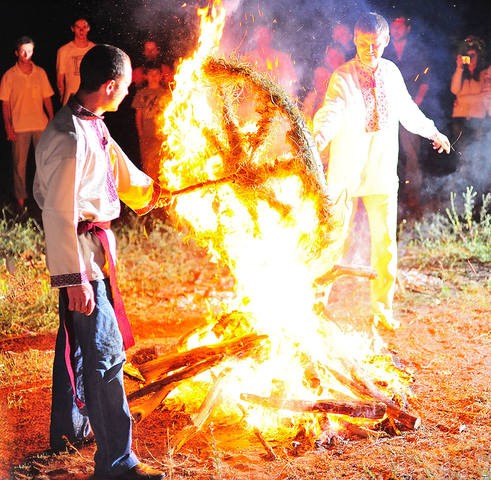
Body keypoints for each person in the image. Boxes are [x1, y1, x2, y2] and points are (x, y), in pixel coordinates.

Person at [34, 44, 166, 480]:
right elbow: (57, 212)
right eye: (125, 86)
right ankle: (117, 463)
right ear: (109, 86)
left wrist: (153, 192)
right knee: (106, 355)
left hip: (93, 256)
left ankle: (69, 430)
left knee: (76, 344)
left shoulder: (94, 125)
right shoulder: (67, 136)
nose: (128, 93)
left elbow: (118, 170)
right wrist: (75, 280)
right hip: (81, 260)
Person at [313, 12, 450, 330]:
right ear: (355, 42)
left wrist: (433, 132)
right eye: (362, 45)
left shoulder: (391, 73)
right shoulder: (343, 77)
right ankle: (316, 301)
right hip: (346, 173)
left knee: (385, 242)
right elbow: (331, 109)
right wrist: (318, 137)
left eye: (374, 45)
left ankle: (381, 308)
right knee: (333, 239)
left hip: (380, 172)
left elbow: (407, 110)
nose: (368, 51)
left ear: (386, 42)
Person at [384, 14, 431, 217]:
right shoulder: (383, 50)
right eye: (393, 26)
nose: (396, 29)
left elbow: (425, 80)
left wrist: (416, 103)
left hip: (409, 110)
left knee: (411, 154)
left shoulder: (417, 52)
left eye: (400, 26)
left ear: (408, 29)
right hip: (385, 111)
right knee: (386, 153)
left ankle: (413, 196)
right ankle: (390, 193)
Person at [0, 36, 54, 211]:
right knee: (19, 165)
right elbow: (5, 103)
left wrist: (52, 120)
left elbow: (47, 98)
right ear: (17, 52)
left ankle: (45, 199)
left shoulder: (40, 73)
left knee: (44, 163)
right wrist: (8, 126)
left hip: (41, 125)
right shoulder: (9, 75)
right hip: (19, 126)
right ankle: (21, 201)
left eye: (29, 50)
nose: (26, 54)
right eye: (23, 50)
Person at [450, 35, 491, 152]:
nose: (470, 58)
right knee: (460, 152)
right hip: (459, 118)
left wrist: (461, 99)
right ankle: (461, 171)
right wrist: (459, 68)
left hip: (477, 119)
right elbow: (454, 90)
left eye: (473, 55)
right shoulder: (461, 73)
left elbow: (485, 96)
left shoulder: (485, 73)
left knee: (477, 151)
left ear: (479, 56)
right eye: (468, 55)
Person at [131, 65, 172, 180]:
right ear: (146, 76)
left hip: (162, 135)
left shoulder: (166, 93)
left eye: (156, 74)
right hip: (147, 135)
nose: (153, 77)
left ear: (160, 76)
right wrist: (140, 133)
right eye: (151, 74)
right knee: (148, 164)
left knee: (164, 163)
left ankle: (164, 188)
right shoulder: (141, 93)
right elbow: (138, 114)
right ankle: (151, 191)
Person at [244, 24, 299, 97]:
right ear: (255, 37)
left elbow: (293, 84)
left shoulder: (283, 58)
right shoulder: (247, 58)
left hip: (277, 102)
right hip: (253, 103)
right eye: (260, 34)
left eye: (265, 35)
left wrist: (289, 103)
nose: (262, 38)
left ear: (270, 37)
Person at [56, 17, 95, 105]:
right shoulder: (64, 50)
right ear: (72, 29)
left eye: (84, 27)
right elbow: (60, 80)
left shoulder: (94, 49)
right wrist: (62, 96)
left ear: (88, 28)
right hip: (71, 100)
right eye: (78, 27)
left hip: (90, 101)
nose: (81, 30)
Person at [303, 43, 346, 123]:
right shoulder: (312, 97)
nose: (331, 61)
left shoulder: (345, 82)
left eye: (335, 57)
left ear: (342, 59)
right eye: (329, 57)